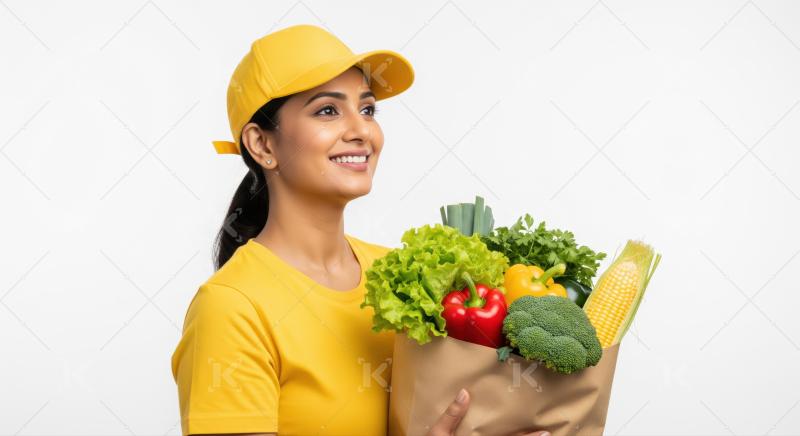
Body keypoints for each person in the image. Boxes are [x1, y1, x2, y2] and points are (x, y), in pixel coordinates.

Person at [170, 23, 549, 436]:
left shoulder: (401, 280)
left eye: (367, 109)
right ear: (263, 145)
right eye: (327, 110)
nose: (362, 131)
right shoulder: (231, 308)